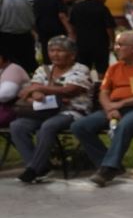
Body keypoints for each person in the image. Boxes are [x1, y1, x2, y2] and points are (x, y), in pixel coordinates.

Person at [72, 31, 133, 186]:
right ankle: (109, 164)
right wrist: (109, 108)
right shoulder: (114, 68)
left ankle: (107, 169)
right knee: (79, 126)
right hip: (113, 108)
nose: (116, 48)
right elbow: (104, 92)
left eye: (120, 45)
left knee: (125, 125)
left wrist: (121, 105)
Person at [10, 37, 96, 184]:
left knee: (49, 125)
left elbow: (70, 89)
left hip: (72, 111)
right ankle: (39, 167)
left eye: (60, 51)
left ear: (72, 55)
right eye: (52, 50)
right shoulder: (43, 70)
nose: (55, 54)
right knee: (17, 126)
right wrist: (38, 93)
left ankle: (33, 170)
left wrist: (40, 89)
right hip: (43, 110)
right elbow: (32, 91)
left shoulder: (81, 69)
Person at [68, 0, 115, 76]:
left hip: (81, 44)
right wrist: (112, 42)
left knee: (82, 69)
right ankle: (100, 87)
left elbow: (71, 26)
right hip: (100, 44)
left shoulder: (77, 6)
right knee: (102, 69)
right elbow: (109, 28)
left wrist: (73, 39)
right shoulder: (102, 8)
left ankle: (84, 87)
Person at [31, 0, 71, 64]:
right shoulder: (57, 0)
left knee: (46, 51)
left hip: (42, 30)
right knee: (59, 49)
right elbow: (62, 16)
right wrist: (69, 30)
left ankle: (48, 70)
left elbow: (33, 16)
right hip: (56, 30)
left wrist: (34, 30)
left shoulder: (37, 0)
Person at [0, 0, 35, 70]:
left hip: (6, 37)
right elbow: (31, 18)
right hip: (25, 35)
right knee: (27, 66)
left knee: (8, 68)